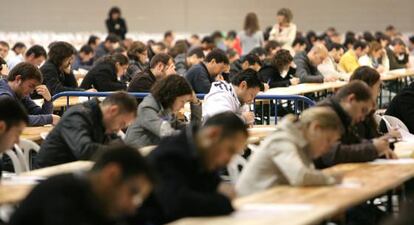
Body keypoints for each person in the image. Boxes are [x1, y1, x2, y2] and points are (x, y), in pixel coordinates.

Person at [133, 112, 248, 225]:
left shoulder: (204, 155)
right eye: (230, 150)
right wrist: (223, 202)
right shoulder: (170, 154)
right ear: (213, 134)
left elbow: (214, 189)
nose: (229, 160)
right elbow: (177, 204)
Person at [10, 144, 154, 225]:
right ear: (112, 174)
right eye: (133, 193)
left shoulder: (104, 203)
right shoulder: (62, 197)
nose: (133, 208)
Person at [236, 107, 343, 197]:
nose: (329, 148)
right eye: (328, 140)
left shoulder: (302, 144)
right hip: (251, 207)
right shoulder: (283, 139)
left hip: (271, 202)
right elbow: (301, 176)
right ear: (315, 128)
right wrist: (332, 179)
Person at [34, 92, 137, 168]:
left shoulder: (104, 123)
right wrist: (120, 153)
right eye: (122, 123)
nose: (119, 129)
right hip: (48, 176)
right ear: (113, 111)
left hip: (70, 173)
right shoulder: (77, 116)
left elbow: (117, 143)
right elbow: (84, 150)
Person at [315, 81, 396, 169]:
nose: (363, 118)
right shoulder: (325, 113)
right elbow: (332, 154)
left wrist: (377, 144)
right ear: (351, 99)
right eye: (363, 110)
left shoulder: (343, 114)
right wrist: (373, 149)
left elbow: (353, 142)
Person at [125, 75, 201, 149]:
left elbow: (190, 130)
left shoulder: (168, 109)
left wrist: (195, 103)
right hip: (136, 154)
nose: (183, 106)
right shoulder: (146, 107)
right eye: (182, 101)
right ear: (172, 96)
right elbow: (167, 133)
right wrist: (193, 138)